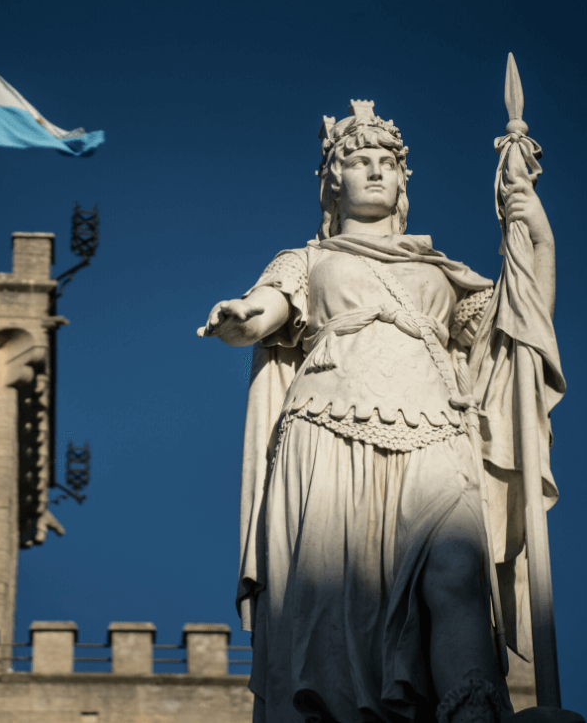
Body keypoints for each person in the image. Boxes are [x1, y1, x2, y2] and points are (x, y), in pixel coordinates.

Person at [200, 102, 562, 723]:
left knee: (456, 570)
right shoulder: (307, 261)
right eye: (359, 161)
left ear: (401, 182)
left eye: (387, 163)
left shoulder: (441, 272)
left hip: (437, 430)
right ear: (332, 181)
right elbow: (267, 308)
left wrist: (537, 239)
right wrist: (240, 315)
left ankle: (472, 711)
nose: (374, 171)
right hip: (330, 429)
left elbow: (516, 332)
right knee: (337, 596)